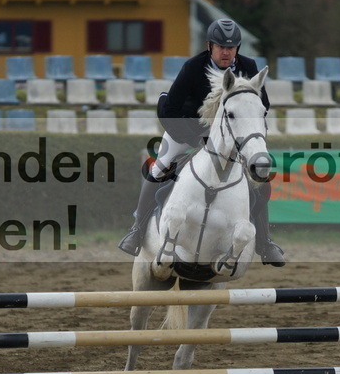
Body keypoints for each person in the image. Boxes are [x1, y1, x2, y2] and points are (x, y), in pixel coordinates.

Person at [117, 18, 286, 266]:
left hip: (229, 134)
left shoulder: (249, 66)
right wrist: (194, 138)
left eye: (231, 47)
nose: (226, 52)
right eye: (220, 46)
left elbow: (263, 104)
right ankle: (137, 230)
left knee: (259, 179)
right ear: (209, 46)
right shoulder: (193, 67)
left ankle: (265, 242)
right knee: (159, 168)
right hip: (186, 129)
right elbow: (169, 108)